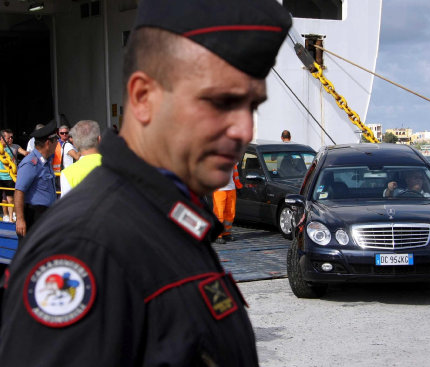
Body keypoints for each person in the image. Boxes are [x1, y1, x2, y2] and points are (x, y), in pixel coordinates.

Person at [0, 0, 291, 365]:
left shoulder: (169, 221)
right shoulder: (85, 248)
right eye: (220, 102)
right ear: (142, 97)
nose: (243, 129)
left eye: (251, 106)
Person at [13, 121, 58, 239]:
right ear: (48, 143)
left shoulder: (46, 161)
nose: (57, 143)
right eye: (56, 140)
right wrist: (20, 219)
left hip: (46, 216)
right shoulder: (30, 163)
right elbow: (19, 191)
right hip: (34, 217)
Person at [59, 120, 102, 197]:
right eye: (62, 133)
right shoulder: (115, 165)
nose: (64, 134)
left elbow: (67, 206)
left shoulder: (67, 174)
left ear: (75, 143)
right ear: (99, 139)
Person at [213, 164, 243, 243]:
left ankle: (226, 233)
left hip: (231, 188)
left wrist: (238, 185)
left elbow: (235, 172)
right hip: (219, 189)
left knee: (230, 212)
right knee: (219, 213)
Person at [0, 130, 17, 222]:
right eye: (8, 138)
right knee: (3, 199)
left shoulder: (11, 150)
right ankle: (5, 215)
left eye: (11, 137)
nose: (10, 139)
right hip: (0, 177)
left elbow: (12, 163)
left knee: (10, 198)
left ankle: (10, 217)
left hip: (8, 177)